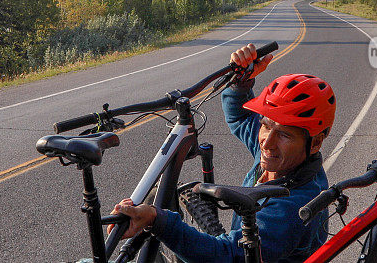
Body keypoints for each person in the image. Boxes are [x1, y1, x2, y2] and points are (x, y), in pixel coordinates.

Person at [109, 44, 335, 262]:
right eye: (266, 125)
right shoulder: (283, 159)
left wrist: (158, 221)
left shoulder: (296, 208)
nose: (267, 143)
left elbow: (228, 256)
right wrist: (241, 82)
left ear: (315, 143)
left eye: (284, 135)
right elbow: (241, 117)